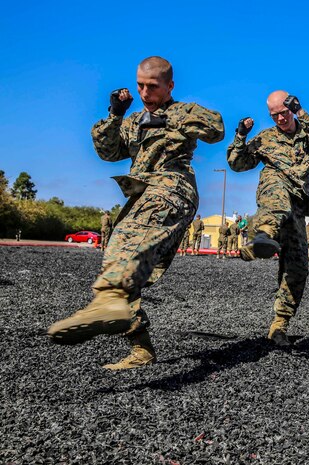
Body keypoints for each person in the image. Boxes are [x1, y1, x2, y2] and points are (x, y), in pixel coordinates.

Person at [47, 56, 225, 370]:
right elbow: (108, 152)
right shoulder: (134, 121)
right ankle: (141, 348)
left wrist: (169, 119)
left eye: (152, 87)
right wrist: (116, 114)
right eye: (140, 85)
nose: (144, 93)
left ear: (169, 85)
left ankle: (108, 299)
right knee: (123, 262)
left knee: (124, 249)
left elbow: (216, 128)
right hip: (143, 195)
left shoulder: (182, 111)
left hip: (172, 188)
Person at [227, 91, 309, 346]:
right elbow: (238, 164)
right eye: (274, 116)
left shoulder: (306, 136)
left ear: (291, 108)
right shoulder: (265, 138)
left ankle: (279, 326)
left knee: (297, 268)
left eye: (284, 113)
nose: (280, 119)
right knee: (277, 200)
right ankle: (261, 236)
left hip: (298, 205)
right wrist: (240, 136)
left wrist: (302, 112)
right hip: (275, 187)